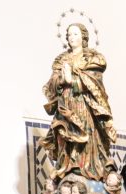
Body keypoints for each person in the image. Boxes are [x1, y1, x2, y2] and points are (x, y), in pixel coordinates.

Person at [42, 23, 117, 182]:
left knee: (86, 135)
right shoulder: (61, 59)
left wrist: (73, 80)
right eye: (69, 34)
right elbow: (51, 84)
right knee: (65, 136)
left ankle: (84, 168)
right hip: (66, 103)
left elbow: (95, 82)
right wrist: (62, 80)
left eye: (75, 34)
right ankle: (67, 167)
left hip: (84, 105)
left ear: (83, 36)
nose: (72, 37)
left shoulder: (92, 58)